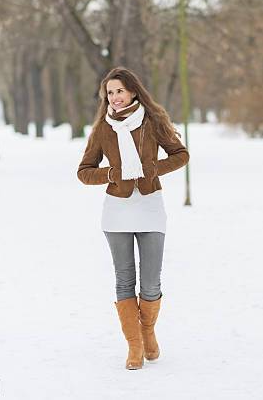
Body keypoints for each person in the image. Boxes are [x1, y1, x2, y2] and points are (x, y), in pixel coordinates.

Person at [77, 66, 189, 370]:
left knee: (151, 283)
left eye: (119, 91)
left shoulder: (152, 123)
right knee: (124, 280)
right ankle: (135, 346)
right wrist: (113, 174)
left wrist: (152, 169)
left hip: (151, 207)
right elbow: (84, 172)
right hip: (117, 212)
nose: (114, 97)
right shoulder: (103, 128)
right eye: (110, 93)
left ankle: (148, 330)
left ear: (133, 92)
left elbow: (181, 155)